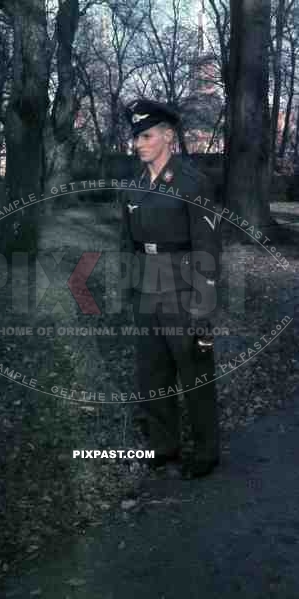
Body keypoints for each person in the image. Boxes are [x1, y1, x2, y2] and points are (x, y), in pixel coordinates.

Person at [118, 98, 222, 479]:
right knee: (152, 374)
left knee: (193, 372)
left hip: (182, 285)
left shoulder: (193, 183)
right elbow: (124, 242)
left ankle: (206, 452)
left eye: (145, 136)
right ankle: (165, 447)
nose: (137, 144)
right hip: (146, 288)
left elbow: (208, 249)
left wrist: (203, 308)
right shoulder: (132, 186)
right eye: (135, 138)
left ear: (167, 136)